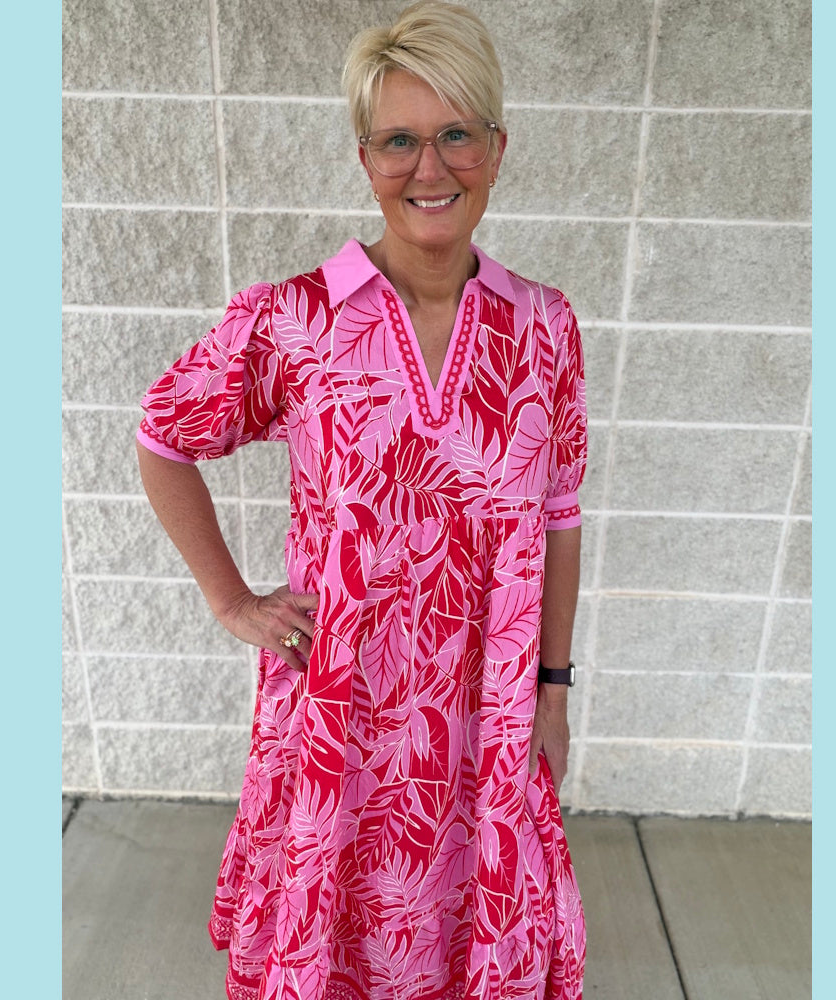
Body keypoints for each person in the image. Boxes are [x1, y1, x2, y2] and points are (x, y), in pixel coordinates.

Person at [136, 3, 587, 998]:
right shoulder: (296, 320)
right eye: (399, 140)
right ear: (364, 155)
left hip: (485, 713)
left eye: (456, 133)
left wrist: (554, 687)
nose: (431, 168)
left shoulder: (545, 327)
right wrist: (231, 600)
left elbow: (558, 514)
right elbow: (164, 437)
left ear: (497, 148)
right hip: (341, 708)